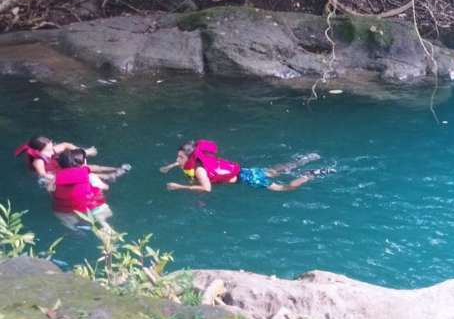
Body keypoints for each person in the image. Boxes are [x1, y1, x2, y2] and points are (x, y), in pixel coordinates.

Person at [161, 140, 334, 193]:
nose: (178, 158)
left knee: (284, 187)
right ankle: (305, 159)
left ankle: (312, 174)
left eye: (180, 157)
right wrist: (171, 166)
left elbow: (207, 189)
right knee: (275, 170)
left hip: (248, 178)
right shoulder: (198, 158)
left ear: (190, 157)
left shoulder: (199, 170)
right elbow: (185, 163)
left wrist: (179, 186)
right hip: (247, 170)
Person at [14, 136, 130, 185]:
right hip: (55, 174)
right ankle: (108, 177)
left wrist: (83, 152)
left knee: (91, 167)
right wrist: (56, 178)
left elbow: (65, 145)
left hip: (61, 167)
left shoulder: (51, 150)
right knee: (85, 174)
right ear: (42, 148)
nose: (52, 142)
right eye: (49, 142)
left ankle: (116, 169)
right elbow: (42, 175)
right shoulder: (38, 161)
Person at [50, 148, 115, 232]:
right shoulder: (89, 176)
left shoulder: (55, 178)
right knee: (101, 222)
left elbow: (50, 190)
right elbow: (104, 187)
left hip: (67, 212)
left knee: (63, 216)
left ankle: (75, 228)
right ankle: (108, 233)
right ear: (84, 163)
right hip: (92, 209)